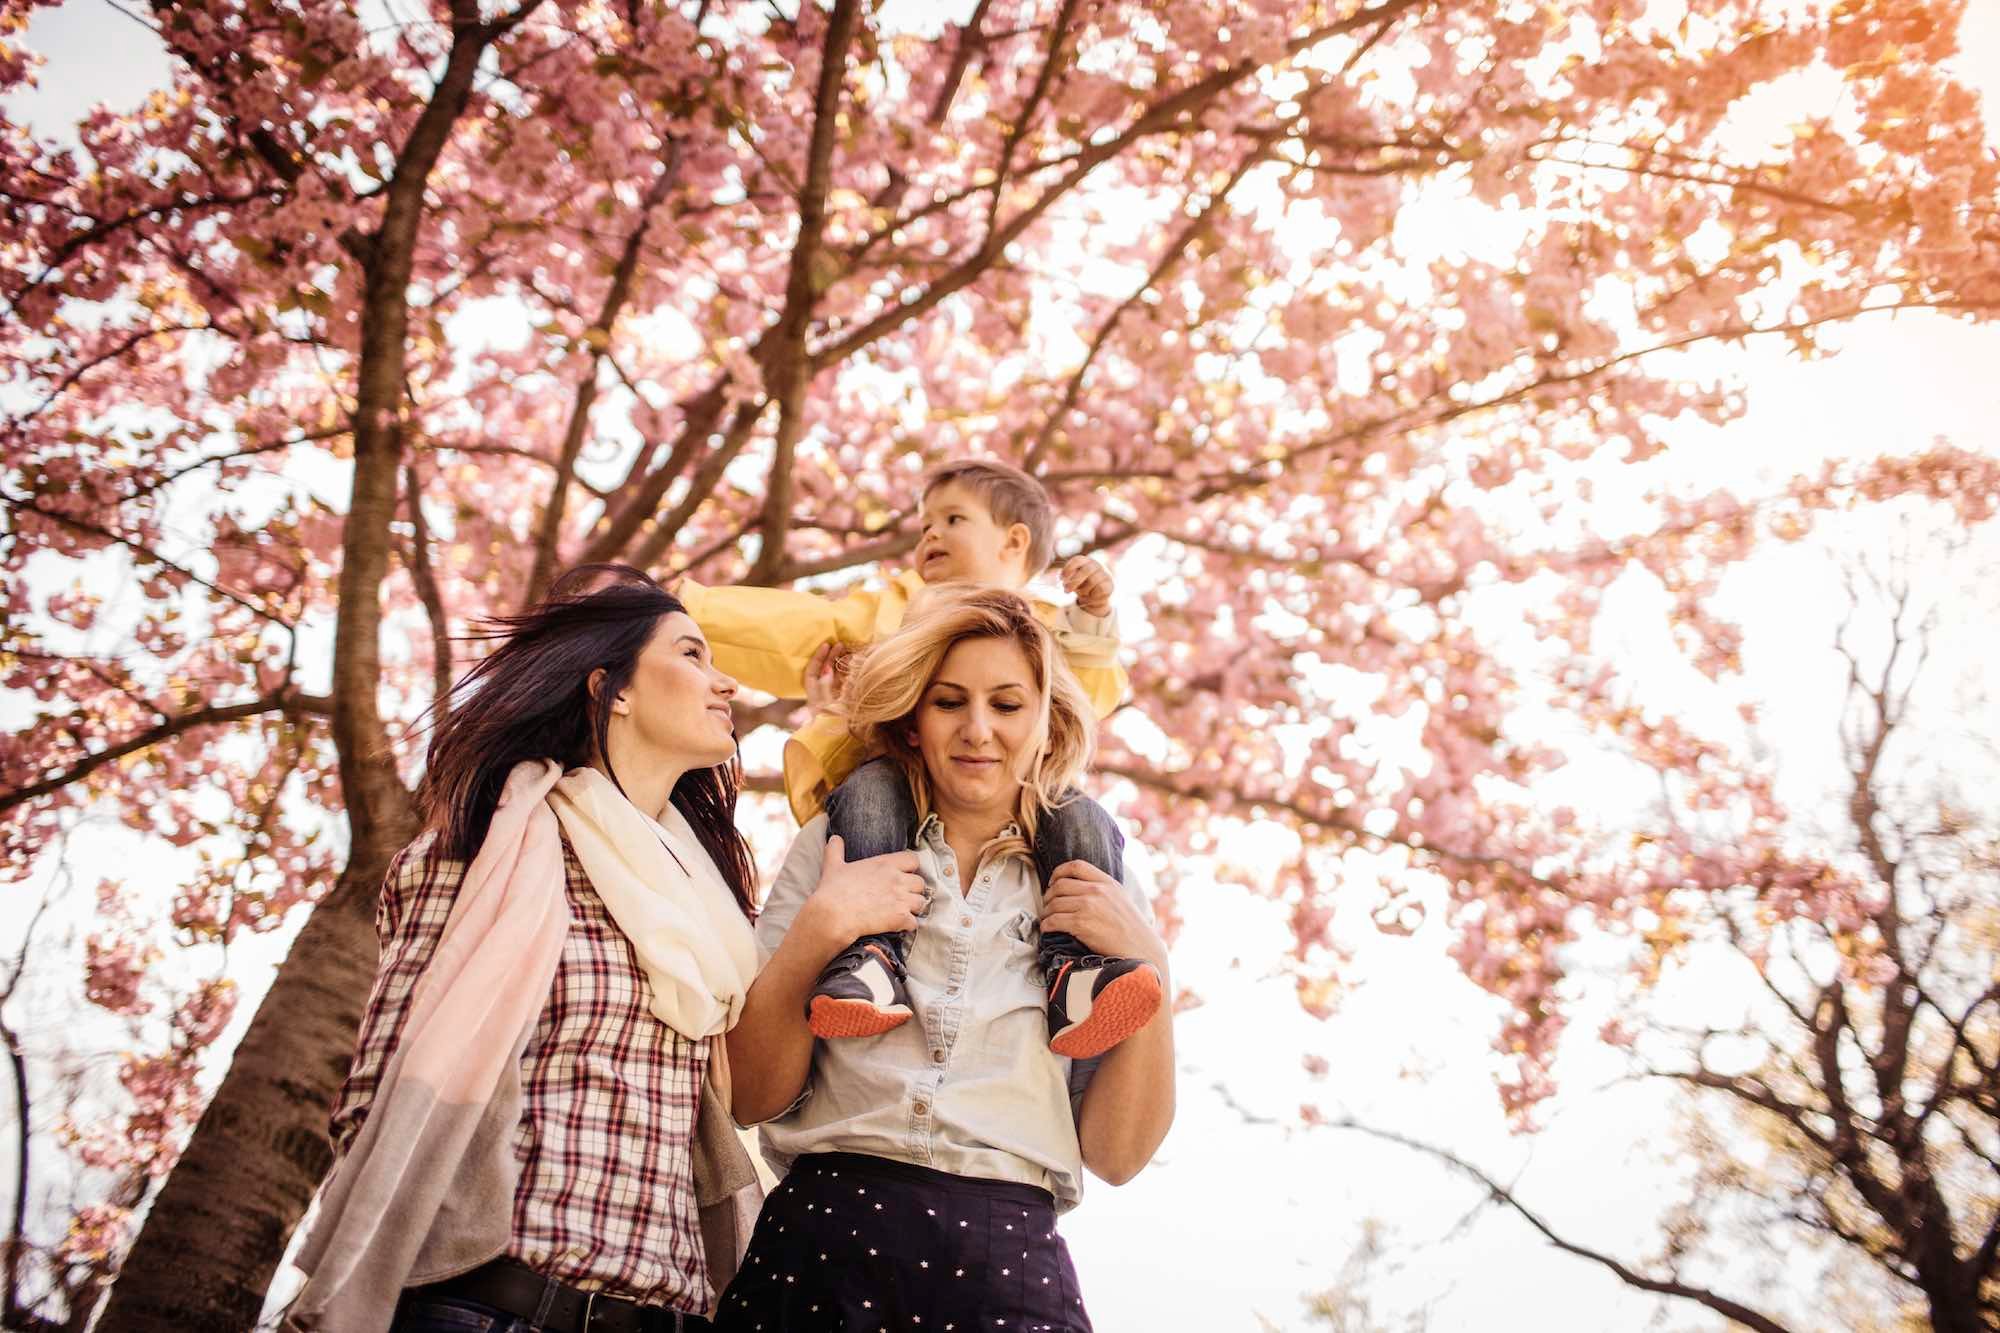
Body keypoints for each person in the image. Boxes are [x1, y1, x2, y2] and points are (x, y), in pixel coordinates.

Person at [285, 565, 762, 1333]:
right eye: (693, 654)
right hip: (492, 1306)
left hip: (667, 1309)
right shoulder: (490, 850)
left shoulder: (709, 907)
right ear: (615, 688)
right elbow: (384, 1092)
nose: (725, 681)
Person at [716, 587, 1177, 1332]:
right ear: (913, 718)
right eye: (949, 702)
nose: (977, 730)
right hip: (825, 1236)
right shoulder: (839, 843)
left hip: (1010, 1258)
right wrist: (818, 932)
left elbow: (1120, 1154)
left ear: (1045, 721)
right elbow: (751, 1096)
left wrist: (1152, 967)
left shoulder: (1096, 881)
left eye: (1006, 705)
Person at [677, 459, 1160, 1058]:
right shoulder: (897, 609)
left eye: (952, 519)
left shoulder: (1045, 627)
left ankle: (1082, 970)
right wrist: (691, 614)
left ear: (1015, 542)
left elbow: (1091, 685)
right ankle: (871, 960)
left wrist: (1094, 610)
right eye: (924, 523)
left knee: (1084, 819)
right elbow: (802, 627)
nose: (929, 534)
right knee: (869, 794)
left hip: (1023, 796)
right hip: (896, 777)